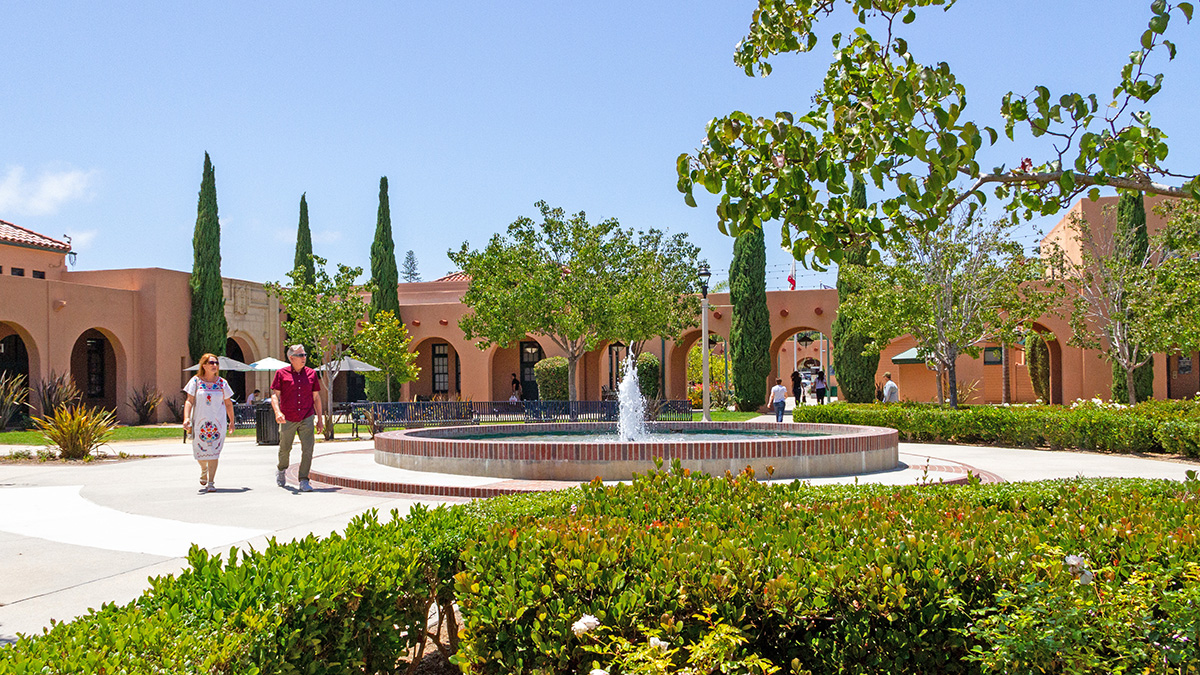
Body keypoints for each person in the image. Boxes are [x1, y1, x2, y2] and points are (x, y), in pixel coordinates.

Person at [271, 345, 324, 492]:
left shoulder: (312, 374)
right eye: (300, 355)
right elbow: (275, 395)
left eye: (304, 355)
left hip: (307, 416)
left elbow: (316, 398)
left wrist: (320, 419)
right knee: (285, 448)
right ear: (291, 358)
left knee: (308, 448)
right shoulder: (281, 373)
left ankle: (304, 479)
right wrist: (277, 412)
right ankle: (281, 469)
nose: (304, 357)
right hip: (288, 417)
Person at [182, 353, 235, 494]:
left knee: (214, 452)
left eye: (216, 363)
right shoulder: (195, 381)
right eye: (211, 363)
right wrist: (186, 418)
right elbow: (189, 401)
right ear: (204, 365)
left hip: (218, 423)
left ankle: (211, 482)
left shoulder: (222, 383)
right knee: (199, 453)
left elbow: (228, 403)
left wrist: (232, 421)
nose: (214, 365)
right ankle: (203, 468)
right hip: (200, 423)